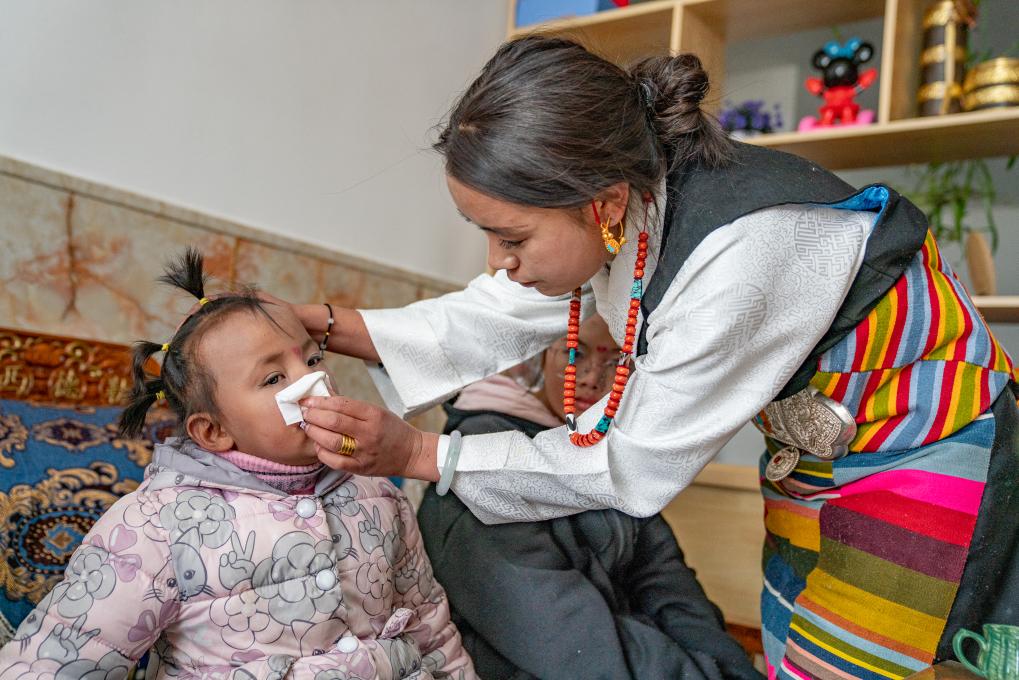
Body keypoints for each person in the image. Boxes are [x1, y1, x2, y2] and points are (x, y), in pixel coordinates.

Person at [283, 36, 1019, 679]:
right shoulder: (629, 214)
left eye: (512, 238)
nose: (499, 261)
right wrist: (324, 325)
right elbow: (497, 309)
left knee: (840, 659)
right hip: (816, 458)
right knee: (792, 634)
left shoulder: (742, 250)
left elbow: (626, 460)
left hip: (920, 447)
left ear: (602, 205)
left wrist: (417, 453)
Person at [0, 249, 476, 680]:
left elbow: (431, 627)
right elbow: (60, 656)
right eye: (273, 378)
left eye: (313, 359)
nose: (313, 382)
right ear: (213, 432)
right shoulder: (155, 526)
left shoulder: (379, 493)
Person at [417, 313, 761, 679]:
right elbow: (566, 637)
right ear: (540, 356)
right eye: (574, 353)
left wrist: (732, 672)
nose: (592, 378)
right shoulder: (482, 461)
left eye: (615, 362)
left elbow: (669, 587)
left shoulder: (605, 456)